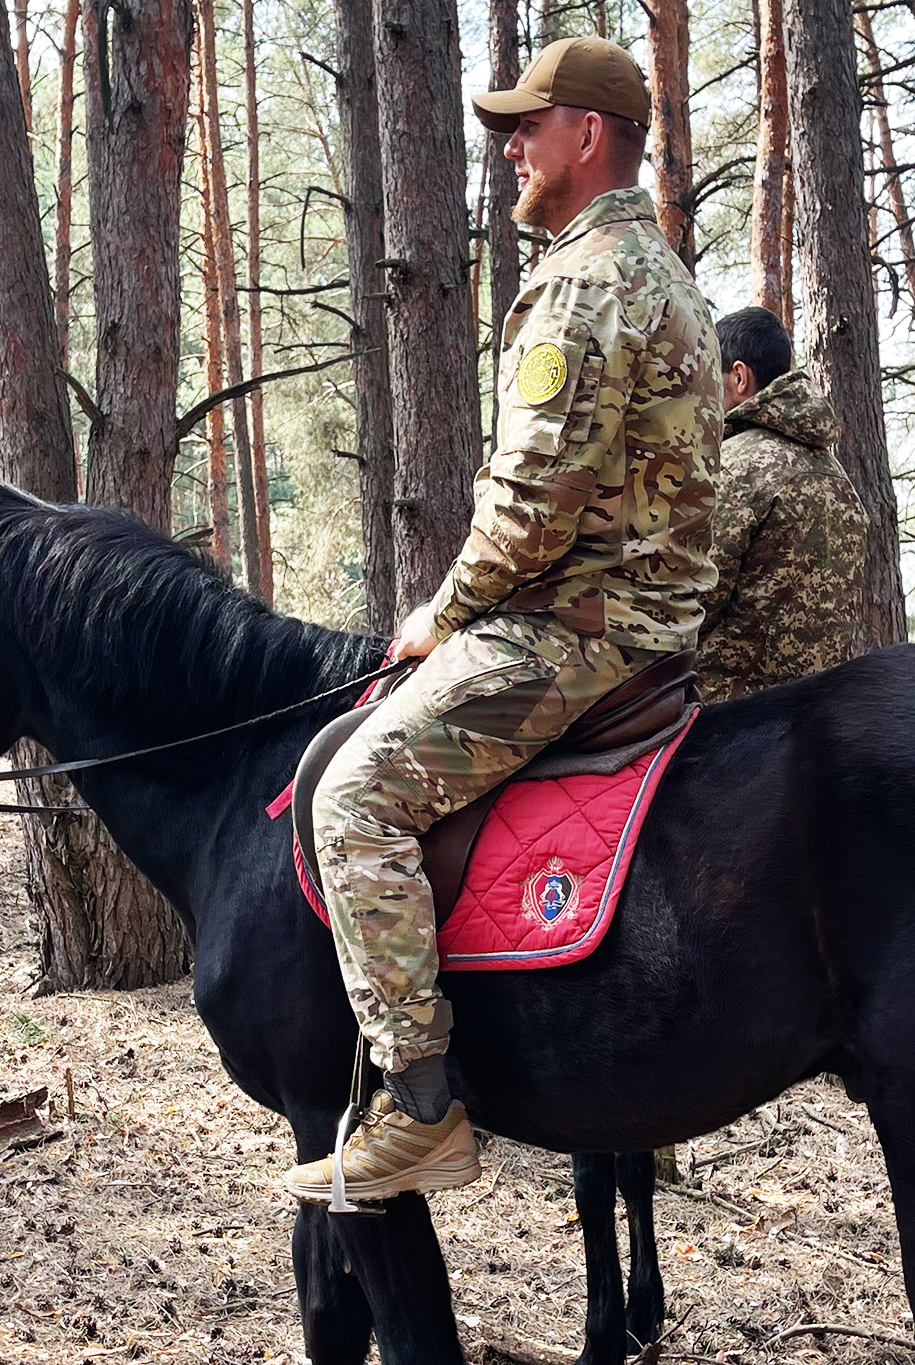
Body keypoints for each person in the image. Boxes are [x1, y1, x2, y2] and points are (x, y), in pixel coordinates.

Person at [284, 36, 721, 1202]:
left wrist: (442, 611)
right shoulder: (665, 272)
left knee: (353, 796)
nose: (512, 150)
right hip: (645, 625)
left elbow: (530, 509)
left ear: (590, 136)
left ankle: (421, 1107)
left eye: (529, 127)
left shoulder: (585, 282)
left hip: (575, 632)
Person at [696, 307, 869, 702]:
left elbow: (694, 598)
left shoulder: (737, 467)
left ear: (739, 377)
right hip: (822, 716)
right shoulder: (836, 475)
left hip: (731, 723)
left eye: (711, 380)